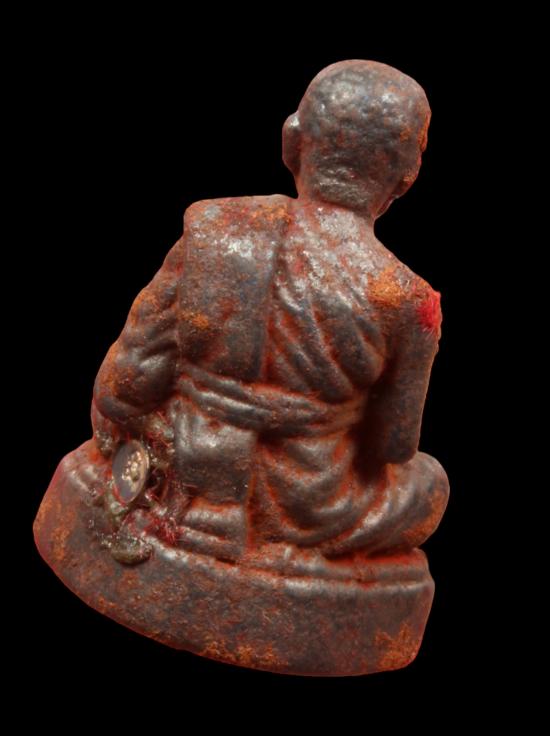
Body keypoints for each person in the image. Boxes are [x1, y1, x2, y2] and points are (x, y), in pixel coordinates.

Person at [91, 59, 449, 565]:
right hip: (310, 507)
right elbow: (393, 448)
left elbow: (127, 380)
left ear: (292, 139)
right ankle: (284, 550)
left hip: (184, 468)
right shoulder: (409, 300)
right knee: (430, 484)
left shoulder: (215, 229)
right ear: (406, 178)